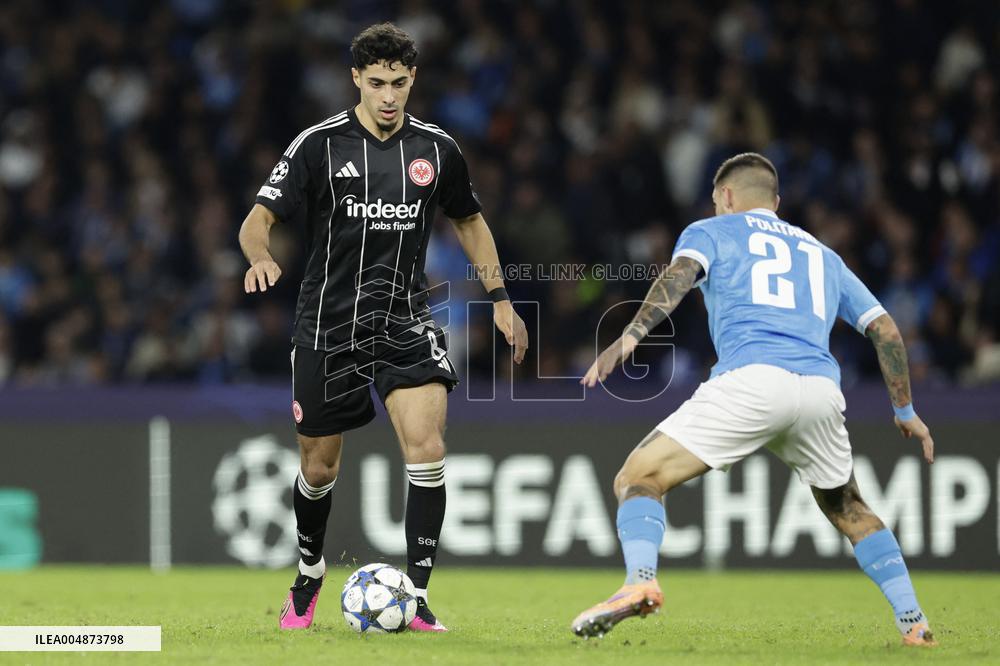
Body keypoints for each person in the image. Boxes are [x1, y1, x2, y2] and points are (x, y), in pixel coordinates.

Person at [570, 153, 937, 647]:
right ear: (776, 202)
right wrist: (905, 411)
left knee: (638, 477)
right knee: (850, 507)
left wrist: (632, 335)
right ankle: (914, 624)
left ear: (725, 196)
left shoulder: (711, 231)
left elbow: (679, 276)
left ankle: (639, 581)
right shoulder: (823, 255)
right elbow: (886, 329)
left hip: (754, 379)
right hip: (821, 391)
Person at [239, 22, 528, 632]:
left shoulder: (437, 149)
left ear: (413, 79)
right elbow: (256, 219)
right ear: (356, 81)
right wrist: (260, 254)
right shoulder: (318, 145)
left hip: (402, 318)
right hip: (328, 325)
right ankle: (310, 575)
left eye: (399, 82)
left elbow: (470, 222)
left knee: (427, 449)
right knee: (319, 470)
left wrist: (500, 297)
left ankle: (417, 597)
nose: (389, 95)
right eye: (377, 84)